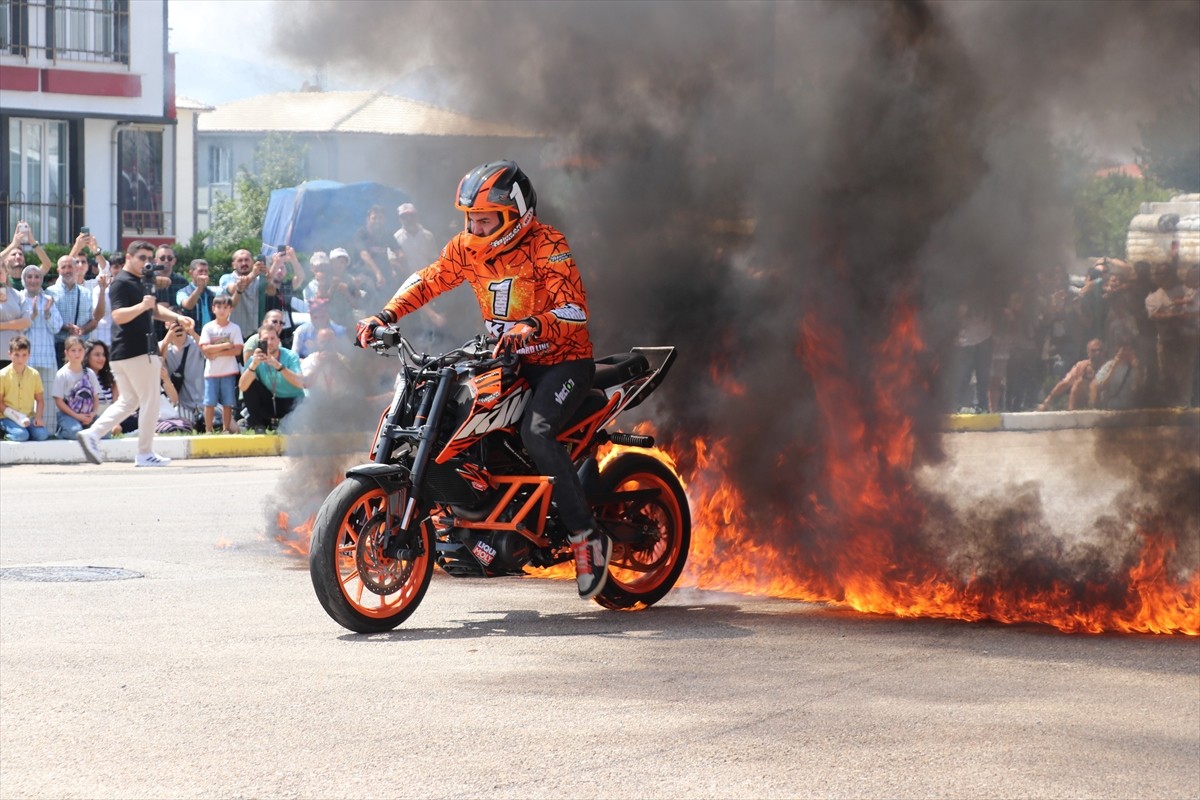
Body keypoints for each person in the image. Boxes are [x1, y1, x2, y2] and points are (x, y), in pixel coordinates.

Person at [355, 160, 611, 600]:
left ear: (515, 216)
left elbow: (575, 310)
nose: (474, 226)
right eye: (469, 218)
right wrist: (385, 314)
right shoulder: (466, 248)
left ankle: (587, 537)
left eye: (484, 219)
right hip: (506, 361)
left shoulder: (549, 244)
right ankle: (468, 516)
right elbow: (430, 278)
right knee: (459, 419)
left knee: (538, 432)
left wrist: (532, 324)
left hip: (561, 364)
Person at [75, 240, 195, 467]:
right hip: (136, 351)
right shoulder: (122, 283)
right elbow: (119, 315)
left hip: (126, 353)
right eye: (142, 257)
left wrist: (177, 318)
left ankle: (92, 434)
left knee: (129, 400)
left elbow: (153, 308)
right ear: (129, 258)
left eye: (150, 259)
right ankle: (145, 452)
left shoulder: (140, 281)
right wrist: (142, 306)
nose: (146, 262)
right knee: (151, 401)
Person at [1145, 246, 1195, 407]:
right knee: (1166, 373)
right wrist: (1174, 315)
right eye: (1159, 274)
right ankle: (1169, 404)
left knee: (1185, 373)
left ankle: (1184, 403)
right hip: (1166, 341)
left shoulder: (1186, 291)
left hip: (1185, 339)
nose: (1163, 277)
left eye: (1165, 273)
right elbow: (1155, 316)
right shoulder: (1153, 298)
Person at [237, 322, 305, 434]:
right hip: (271, 402)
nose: (269, 342)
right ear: (259, 342)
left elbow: (300, 382)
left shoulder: (290, 356)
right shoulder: (254, 359)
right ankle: (259, 425)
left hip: (292, 402)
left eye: (272, 338)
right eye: (265, 339)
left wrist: (278, 366)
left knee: (294, 428)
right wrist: (253, 366)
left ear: (278, 340)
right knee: (250, 384)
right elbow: (242, 387)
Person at [18, 265, 63, 433]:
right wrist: (33, 316)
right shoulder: (19, 298)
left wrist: (47, 313)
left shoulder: (48, 299)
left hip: (47, 357)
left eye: (37, 277)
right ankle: (24, 429)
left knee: (48, 396)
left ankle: (49, 431)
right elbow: (17, 329)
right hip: (25, 359)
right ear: (24, 279)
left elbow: (57, 328)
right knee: (23, 396)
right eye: (29, 277)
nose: (33, 280)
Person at [198, 294, 243, 435]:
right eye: (219, 307)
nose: (222, 310)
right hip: (211, 372)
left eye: (225, 307)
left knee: (227, 402)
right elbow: (205, 348)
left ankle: (225, 429)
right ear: (213, 309)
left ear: (230, 309)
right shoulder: (208, 327)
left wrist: (216, 352)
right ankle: (208, 430)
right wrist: (225, 345)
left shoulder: (235, 328)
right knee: (209, 402)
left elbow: (237, 349)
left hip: (229, 371)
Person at [46, 252, 99, 365]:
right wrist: (65, 328)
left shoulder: (86, 293)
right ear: (58, 271)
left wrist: (82, 329)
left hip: (81, 348)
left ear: (76, 269)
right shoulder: (50, 293)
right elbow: (47, 320)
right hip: (59, 347)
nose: (67, 270)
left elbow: (93, 321)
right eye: (63, 267)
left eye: (70, 266)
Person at [51, 335, 102, 440]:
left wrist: (92, 414)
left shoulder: (90, 373)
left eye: (80, 350)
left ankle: (86, 429)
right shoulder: (62, 374)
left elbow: (96, 397)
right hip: (67, 414)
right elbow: (59, 402)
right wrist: (77, 416)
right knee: (74, 432)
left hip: (88, 414)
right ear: (66, 353)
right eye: (73, 350)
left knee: (105, 432)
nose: (77, 354)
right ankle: (61, 433)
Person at [0, 335, 50, 441]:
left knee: (42, 435)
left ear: (29, 355)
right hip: (7, 417)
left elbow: (40, 400)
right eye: (16, 355)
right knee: (21, 435)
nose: (20, 359)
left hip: (28, 417)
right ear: (9, 354)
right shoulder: (2, 375)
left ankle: (27, 432)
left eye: (24, 355)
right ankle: (4, 433)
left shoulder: (34, 374)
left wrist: (38, 417)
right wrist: (16, 417)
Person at [1037, 338, 1106, 411]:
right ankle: (1071, 414)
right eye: (1094, 351)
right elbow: (1065, 384)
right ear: (1088, 352)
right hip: (1083, 402)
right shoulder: (1081, 366)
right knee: (1078, 384)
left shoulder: (1109, 366)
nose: (1097, 353)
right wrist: (1047, 402)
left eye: (1100, 350)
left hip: (1103, 401)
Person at [161, 319, 205, 428]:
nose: (178, 328)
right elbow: (159, 360)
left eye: (180, 324)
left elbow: (209, 353)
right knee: (181, 425)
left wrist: (192, 332)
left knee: (222, 421)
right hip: (180, 405)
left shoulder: (196, 343)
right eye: (174, 324)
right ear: (166, 325)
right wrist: (167, 339)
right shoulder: (163, 346)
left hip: (202, 402)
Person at [219, 249, 264, 343]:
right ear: (233, 265)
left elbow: (272, 291)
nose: (244, 263)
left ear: (252, 262)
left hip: (255, 333)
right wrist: (253, 274)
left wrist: (270, 273)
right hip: (232, 333)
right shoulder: (226, 278)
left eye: (247, 260)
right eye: (240, 260)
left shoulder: (260, 280)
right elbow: (233, 289)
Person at [0, 247, 32, 370]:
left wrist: (2, 326)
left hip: (15, 355)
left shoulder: (17, 295)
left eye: (0, 273)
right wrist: (14, 324)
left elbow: (26, 321)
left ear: (6, 273)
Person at [1090, 344, 1142, 410]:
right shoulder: (1108, 366)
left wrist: (1136, 368)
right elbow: (1102, 385)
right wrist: (1114, 366)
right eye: (1124, 350)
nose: (1126, 353)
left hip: (1128, 406)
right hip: (1110, 406)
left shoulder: (1134, 367)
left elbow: (1136, 389)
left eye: (1129, 350)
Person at [394, 202, 441, 270]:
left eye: (411, 215)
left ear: (416, 216)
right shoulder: (396, 238)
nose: (408, 218)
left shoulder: (428, 236)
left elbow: (433, 258)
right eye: (404, 216)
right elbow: (392, 261)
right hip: (407, 279)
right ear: (399, 219)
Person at [177, 258, 220, 332]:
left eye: (206, 271)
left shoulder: (212, 294)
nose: (204, 274)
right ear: (191, 273)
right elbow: (188, 306)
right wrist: (199, 288)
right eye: (200, 271)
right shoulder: (182, 292)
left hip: (210, 335)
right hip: (191, 336)